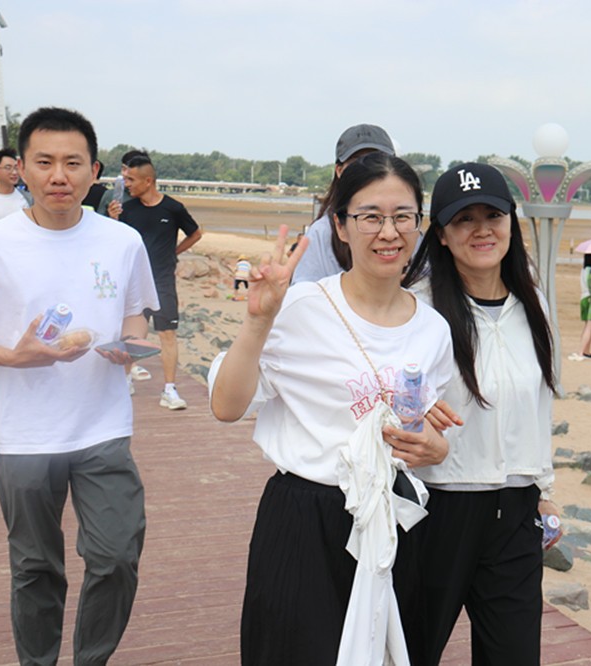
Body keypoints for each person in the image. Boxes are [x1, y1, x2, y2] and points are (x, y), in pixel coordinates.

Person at [0, 106, 159, 666]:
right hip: (25, 435)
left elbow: (136, 314)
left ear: (94, 171)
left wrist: (129, 345)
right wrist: (15, 357)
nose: (59, 175)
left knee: (116, 556)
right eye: (45, 162)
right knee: (35, 567)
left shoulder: (122, 240)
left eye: (73, 163)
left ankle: (91, 659)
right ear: (22, 169)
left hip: (103, 427)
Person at [209, 152, 455, 665]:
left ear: (419, 224)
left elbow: (426, 428)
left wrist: (435, 449)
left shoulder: (433, 329)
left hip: (390, 519)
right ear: (340, 226)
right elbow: (226, 406)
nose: (388, 232)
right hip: (304, 518)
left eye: (403, 216)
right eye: (370, 216)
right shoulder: (302, 306)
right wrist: (257, 322)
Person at [402, 162, 560, 665]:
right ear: (441, 235)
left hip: (515, 512)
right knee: (409, 651)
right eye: (463, 219)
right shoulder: (417, 311)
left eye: (492, 215)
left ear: (511, 221)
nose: (481, 230)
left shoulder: (534, 305)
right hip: (436, 509)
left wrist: (545, 490)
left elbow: (539, 405)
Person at [114, 156, 203, 409]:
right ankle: (125, 380)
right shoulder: (127, 209)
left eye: (131, 180)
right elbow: (116, 241)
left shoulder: (173, 208)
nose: (127, 184)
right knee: (132, 334)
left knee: (168, 334)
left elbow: (195, 233)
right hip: (134, 283)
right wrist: (114, 219)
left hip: (163, 281)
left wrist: (174, 252)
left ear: (148, 181)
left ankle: (170, 390)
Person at [291, 123, 396, 283]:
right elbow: (304, 290)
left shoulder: (408, 228)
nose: (368, 170)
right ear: (339, 170)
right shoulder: (322, 232)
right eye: (356, 162)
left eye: (377, 161)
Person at [568, 252, 591, 360]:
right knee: (589, 327)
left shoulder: (584, 270)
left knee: (588, 326)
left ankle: (586, 350)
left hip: (583, 298)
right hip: (590, 298)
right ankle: (583, 351)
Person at [98, 149, 148, 215]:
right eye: (124, 169)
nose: (125, 174)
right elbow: (99, 219)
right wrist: (111, 217)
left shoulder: (150, 198)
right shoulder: (110, 195)